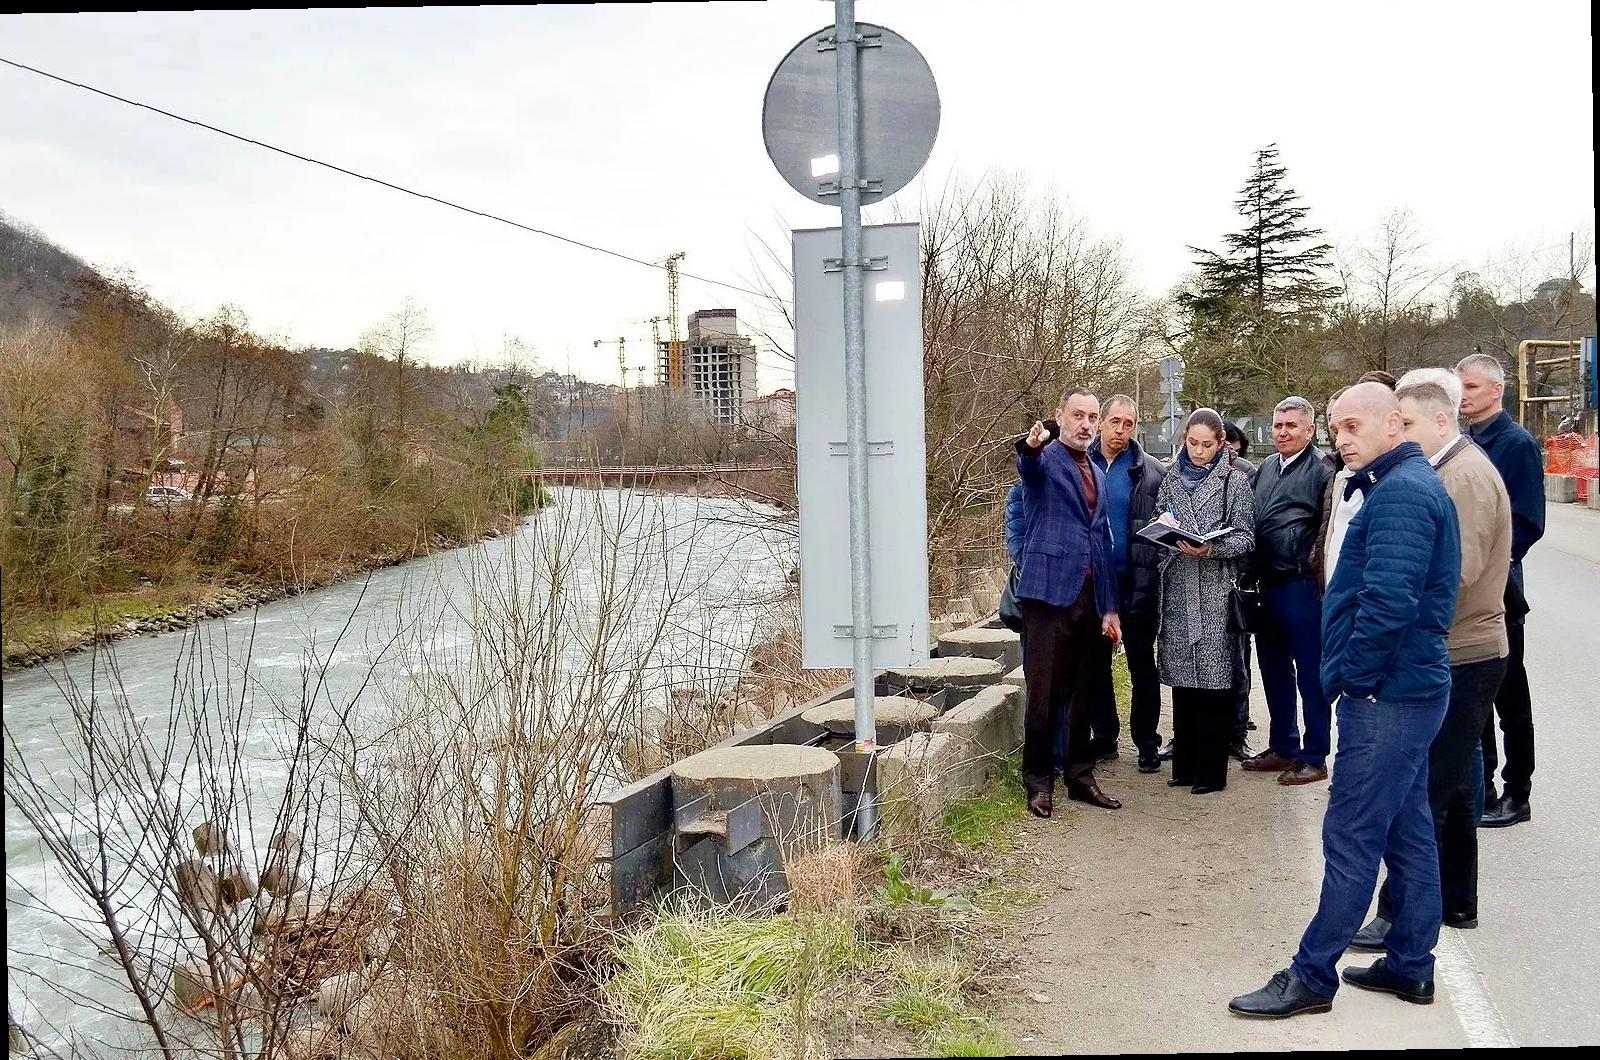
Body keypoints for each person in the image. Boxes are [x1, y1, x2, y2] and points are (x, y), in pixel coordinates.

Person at [1228, 383, 1461, 1018]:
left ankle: (1311, 976)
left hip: (1388, 696)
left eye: (1353, 425)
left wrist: (1354, 679)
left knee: (1352, 834)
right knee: (1408, 831)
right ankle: (1411, 964)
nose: (1342, 438)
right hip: (1402, 692)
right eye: (1337, 427)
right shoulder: (1397, 485)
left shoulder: (1402, 495)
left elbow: (1388, 605)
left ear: (1394, 424)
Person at [1348, 370, 1512, 951]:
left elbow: (1452, 576)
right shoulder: (1446, 471)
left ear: (1442, 420)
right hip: (1463, 647)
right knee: (1455, 783)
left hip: (1462, 648)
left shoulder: (1461, 477)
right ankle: (1455, 903)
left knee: (1423, 793)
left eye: (1408, 423)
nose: (1399, 433)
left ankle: (1398, 916)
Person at [1015, 388, 1124, 818]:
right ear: (1060, 416)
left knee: (1085, 694)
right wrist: (1030, 445)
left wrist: (1110, 607)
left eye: (1093, 417)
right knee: (1044, 694)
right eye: (1078, 415)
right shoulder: (1046, 460)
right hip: (1048, 595)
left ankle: (1080, 777)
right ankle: (1038, 781)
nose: (1086, 424)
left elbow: (1102, 543)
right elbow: (1027, 465)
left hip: (1091, 601)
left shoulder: (1097, 471)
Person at [1457, 353, 1545, 828]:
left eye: (1471, 387)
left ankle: (1518, 793)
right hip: (1466, 589)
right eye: (1460, 387)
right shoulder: (1464, 442)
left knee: (1510, 697)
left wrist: (1489, 563)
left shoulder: (1516, 444)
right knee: (1474, 699)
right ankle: (1482, 787)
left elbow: (1528, 522)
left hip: (1501, 590)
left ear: (1497, 390)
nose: (1463, 396)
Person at [1154, 409, 1255, 795]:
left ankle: (1211, 772)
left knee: (1215, 681)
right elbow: (1158, 520)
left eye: (1207, 445)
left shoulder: (1234, 481)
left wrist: (1211, 548)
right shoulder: (1170, 479)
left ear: (1221, 444)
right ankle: (1185, 765)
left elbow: (1246, 537)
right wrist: (1166, 536)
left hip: (1215, 591)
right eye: (1192, 443)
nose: (1198, 451)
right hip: (1179, 587)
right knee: (1183, 682)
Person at [1240, 397, 1336, 787]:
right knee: (1274, 668)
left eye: (1291, 426)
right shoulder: (1266, 467)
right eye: (1278, 425)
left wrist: (1313, 568)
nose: (1282, 432)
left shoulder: (1323, 471)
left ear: (1310, 430)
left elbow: (1326, 527)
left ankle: (1315, 755)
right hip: (1267, 583)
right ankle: (1283, 745)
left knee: (1311, 673)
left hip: (1301, 586)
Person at [1086, 395, 1167, 773]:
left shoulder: (1152, 472)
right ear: (1101, 422)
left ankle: (1147, 742)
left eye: (1128, 424)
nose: (1120, 430)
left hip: (1137, 582)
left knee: (1142, 664)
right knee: (1096, 664)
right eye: (1114, 422)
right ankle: (1104, 736)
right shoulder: (1080, 462)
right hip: (1093, 584)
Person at [1222, 421, 1259, 757]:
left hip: (1236, 580)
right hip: (1195, 578)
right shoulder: (1180, 473)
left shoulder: (1245, 474)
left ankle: (1237, 730)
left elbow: (1249, 529)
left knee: (1238, 660)